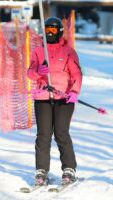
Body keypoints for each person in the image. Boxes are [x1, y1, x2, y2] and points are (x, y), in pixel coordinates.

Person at [27, 17, 83, 186]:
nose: (49, 33)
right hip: (43, 97)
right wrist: (38, 70)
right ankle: (41, 171)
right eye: (47, 30)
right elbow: (30, 73)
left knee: (61, 133)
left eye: (53, 30)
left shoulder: (68, 51)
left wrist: (74, 92)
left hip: (63, 99)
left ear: (59, 32)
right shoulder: (38, 51)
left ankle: (69, 168)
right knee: (43, 135)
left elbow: (77, 75)